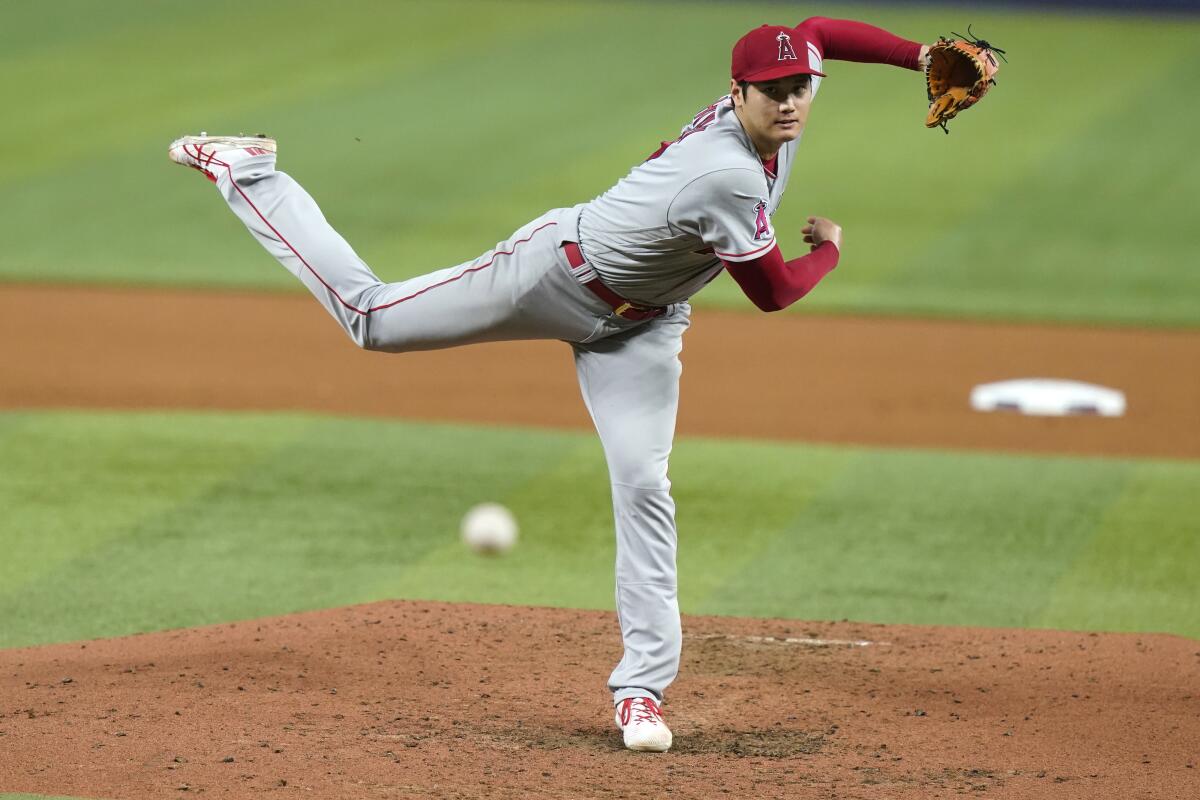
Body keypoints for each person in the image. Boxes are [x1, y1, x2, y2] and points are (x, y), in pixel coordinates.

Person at [169, 17, 932, 753]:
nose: (791, 100)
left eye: (800, 84)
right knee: (374, 320)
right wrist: (830, 250)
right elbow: (772, 292)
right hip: (552, 275)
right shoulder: (726, 175)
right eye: (773, 90)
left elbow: (821, 31)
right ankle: (248, 171)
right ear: (737, 94)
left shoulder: (785, 108)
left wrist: (920, 54)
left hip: (644, 326)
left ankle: (641, 690)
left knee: (644, 484)